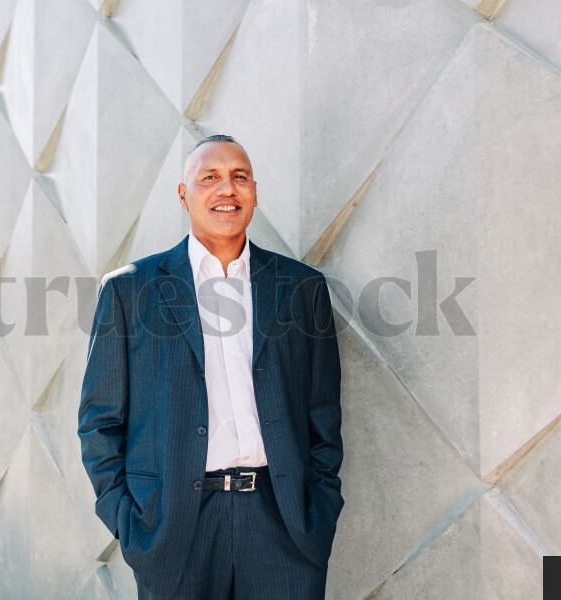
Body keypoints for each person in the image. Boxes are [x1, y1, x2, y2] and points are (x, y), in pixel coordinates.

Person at [78, 135, 343, 599]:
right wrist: (128, 520)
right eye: (210, 178)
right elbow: (99, 421)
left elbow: (323, 413)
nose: (227, 189)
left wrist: (319, 506)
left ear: (254, 192)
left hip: (283, 523)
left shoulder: (302, 288)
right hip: (176, 527)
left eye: (239, 177)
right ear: (184, 195)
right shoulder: (130, 291)